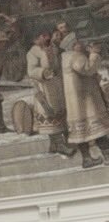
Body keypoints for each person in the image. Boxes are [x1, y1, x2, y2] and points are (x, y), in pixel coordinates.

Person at [60, 34, 109, 168]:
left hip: (76, 101)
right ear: (73, 45)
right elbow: (88, 69)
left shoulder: (66, 57)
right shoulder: (76, 56)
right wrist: (94, 54)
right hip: (85, 99)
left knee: (81, 132)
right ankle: (107, 156)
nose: (81, 45)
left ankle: (87, 159)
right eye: (78, 43)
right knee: (97, 127)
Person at [26, 29, 73, 156]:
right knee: (49, 112)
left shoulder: (54, 49)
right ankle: (59, 144)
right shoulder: (33, 52)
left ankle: (56, 144)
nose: (46, 38)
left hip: (56, 85)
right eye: (43, 36)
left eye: (47, 35)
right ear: (36, 39)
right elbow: (31, 71)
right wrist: (43, 72)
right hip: (44, 87)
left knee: (61, 112)